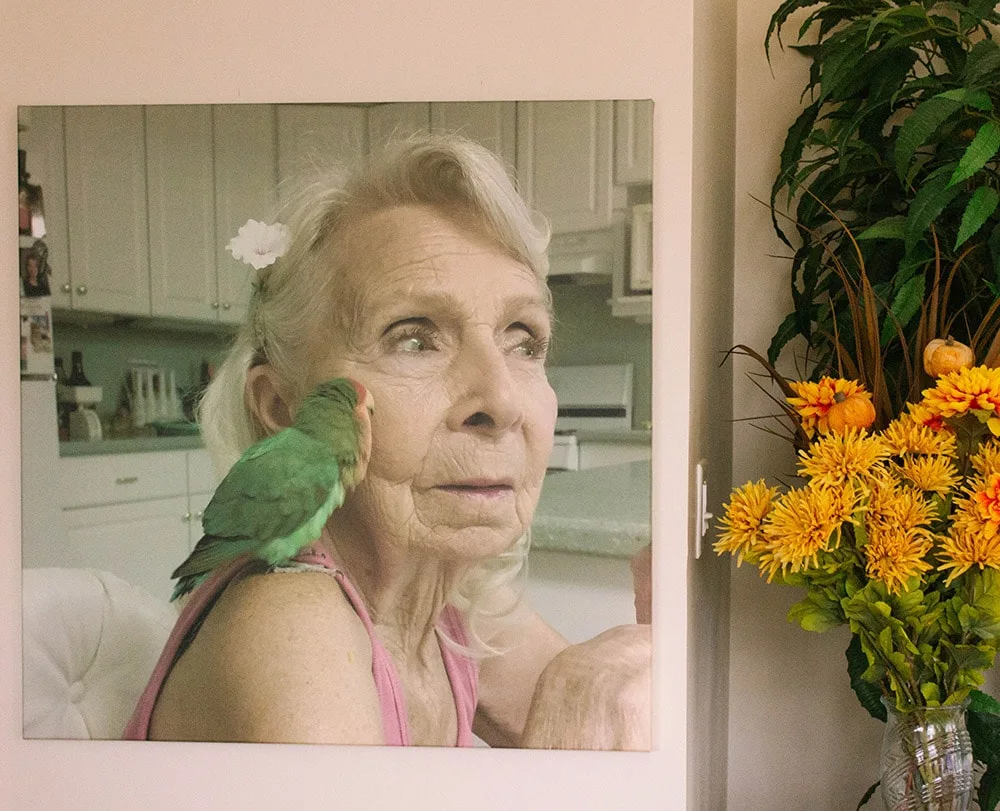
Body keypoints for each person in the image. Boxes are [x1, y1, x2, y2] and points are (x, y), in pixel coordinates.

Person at [124, 133, 651, 749]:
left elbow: (623, 714)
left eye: (524, 339)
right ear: (279, 408)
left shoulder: (450, 596)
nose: (502, 402)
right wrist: (570, 770)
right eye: (413, 338)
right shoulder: (293, 635)